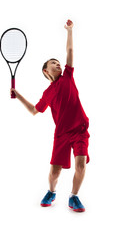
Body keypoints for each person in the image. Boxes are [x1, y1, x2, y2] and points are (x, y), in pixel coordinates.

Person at [10, 19, 90, 212]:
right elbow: (34, 110)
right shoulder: (47, 93)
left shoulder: (68, 77)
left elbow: (69, 52)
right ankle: (52, 192)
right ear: (46, 71)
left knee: (80, 164)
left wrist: (70, 31)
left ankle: (74, 197)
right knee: (55, 172)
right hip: (61, 134)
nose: (58, 65)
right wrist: (19, 95)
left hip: (79, 129)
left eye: (58, 63)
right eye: (53, 63)